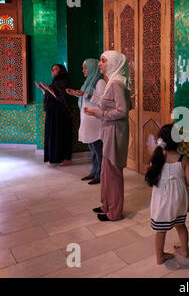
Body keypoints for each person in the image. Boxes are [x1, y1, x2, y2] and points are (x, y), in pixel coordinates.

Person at [84, 51, 131, 222]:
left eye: (103, 61)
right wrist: (97, 113)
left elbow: (122, 110)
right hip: (111, 131)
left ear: (113, 63)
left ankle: (115, 212)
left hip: (115, 133)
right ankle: (106, 205)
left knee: (113, 173)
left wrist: (101, 113)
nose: (99, 64)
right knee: (106, 172)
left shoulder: (116, 84)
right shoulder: (114, 81)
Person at [145, 124, 189, 264]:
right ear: (178, 140)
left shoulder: (156, 159)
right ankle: (184, 250)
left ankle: (160, 256)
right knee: (180, 224)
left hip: (162, 198)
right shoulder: (184, 159)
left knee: (161, 229)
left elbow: (153, 177)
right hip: (178, 197)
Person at [66, 59, 106, 185]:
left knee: (98, 149)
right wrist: (76, 94)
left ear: (92, 67)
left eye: (85, 67)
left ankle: (100, 174)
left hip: (96, 120)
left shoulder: (99, 82)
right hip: (88, 119)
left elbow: (102, 102)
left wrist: (86, 95)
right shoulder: (89, 82)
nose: (83, 70)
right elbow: (86, 97)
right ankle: (94, 171)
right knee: (92, 148)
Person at [35, 64, 73, 167]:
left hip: (61, 114)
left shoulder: (64, 81)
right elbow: (49, 96)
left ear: (61, 70)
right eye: (52, 69)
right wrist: (43, 89)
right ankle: (55, 157)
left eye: (55, 69)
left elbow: (62, 98)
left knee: (60, 135)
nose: (52, 71)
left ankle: (66, 159)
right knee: (53, 135)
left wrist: (49, 90)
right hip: (52, 114)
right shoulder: (55, 82)